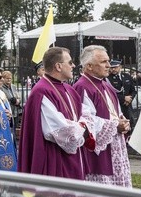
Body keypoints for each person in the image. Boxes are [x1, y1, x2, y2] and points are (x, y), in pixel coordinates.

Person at [18, 47, 95, 180]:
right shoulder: (41, 91)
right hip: (55, 157)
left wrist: (82, 124)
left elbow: (85, 113)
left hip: (75, 155)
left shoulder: (68, 89)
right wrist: (82, 126)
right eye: (70, 63)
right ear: (58, 66)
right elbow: (60, 130)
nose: (74, 66)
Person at [73, 45, 132, 187]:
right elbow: (86, 121)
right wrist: (114, 125)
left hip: (116, 144)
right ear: (89, 66)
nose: (109, 66)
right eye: (103, 62)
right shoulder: (82, 86)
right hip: (99, 152)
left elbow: (115, 112)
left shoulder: (105, 84)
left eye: (108, 61)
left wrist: (123, 122)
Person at [108, 59, 137, 130]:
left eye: (115, 67)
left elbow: (133, 90)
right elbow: (109, 94)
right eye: (111, 67)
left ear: (120, 67)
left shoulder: (126, 76)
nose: (113, 69)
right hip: (116, 106)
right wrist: (123, 98)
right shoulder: (107, 79)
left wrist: (130, 99)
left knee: (130, 124)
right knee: (120, 126)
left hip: (127, 105)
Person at [0, 70, 21, 140]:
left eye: (10, 78)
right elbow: (3, 99)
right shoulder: (1, 88)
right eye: (7, 78)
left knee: (14, 131)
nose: (9, 80)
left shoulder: (13, 87)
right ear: (3, 78)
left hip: (15, 112)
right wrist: (12, 100)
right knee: (7, 131)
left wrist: (17, 101)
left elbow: (19, 97)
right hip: (7, 113)